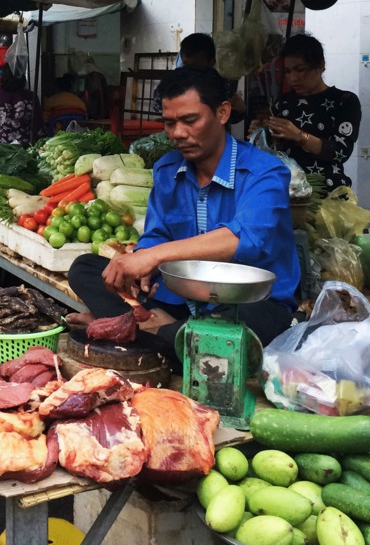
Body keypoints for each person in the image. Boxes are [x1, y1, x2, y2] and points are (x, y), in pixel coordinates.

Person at [68, 66, 300, 370]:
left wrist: (153, 256)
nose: (178, 133)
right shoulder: (167, 170)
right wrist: (141, 266)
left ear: (222, 113)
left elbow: (245, 239)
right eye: (169, 123)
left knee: (236, 337)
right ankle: (159, 332)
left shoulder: (265, 172)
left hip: (247, 305)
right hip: (177, 300)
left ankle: (134, 330)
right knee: (85, 268)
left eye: (190, 120)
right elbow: (157, 234)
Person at [259, 33, 361, 190]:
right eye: (287, 71)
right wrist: (262, 132)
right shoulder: (284, 103)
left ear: (321, 66)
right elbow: (275, 149)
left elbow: (341, 151)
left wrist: (300, 136)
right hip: (286, 191)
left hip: (327, 194)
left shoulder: (344, 101)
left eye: (300, 70)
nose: (293, 78)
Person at [152, 33, 246, 123]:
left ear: (211, 62)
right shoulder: (174, 80)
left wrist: (241, 110)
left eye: (196, 66)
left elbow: (230, 117)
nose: (191, 71)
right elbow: (158, 104)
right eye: (186, 64)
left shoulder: (219, 84)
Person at [0, 65, 43, 144]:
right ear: (21, 77)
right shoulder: (31, 97)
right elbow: (38, 126)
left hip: (3, 146)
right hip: (26, 146)